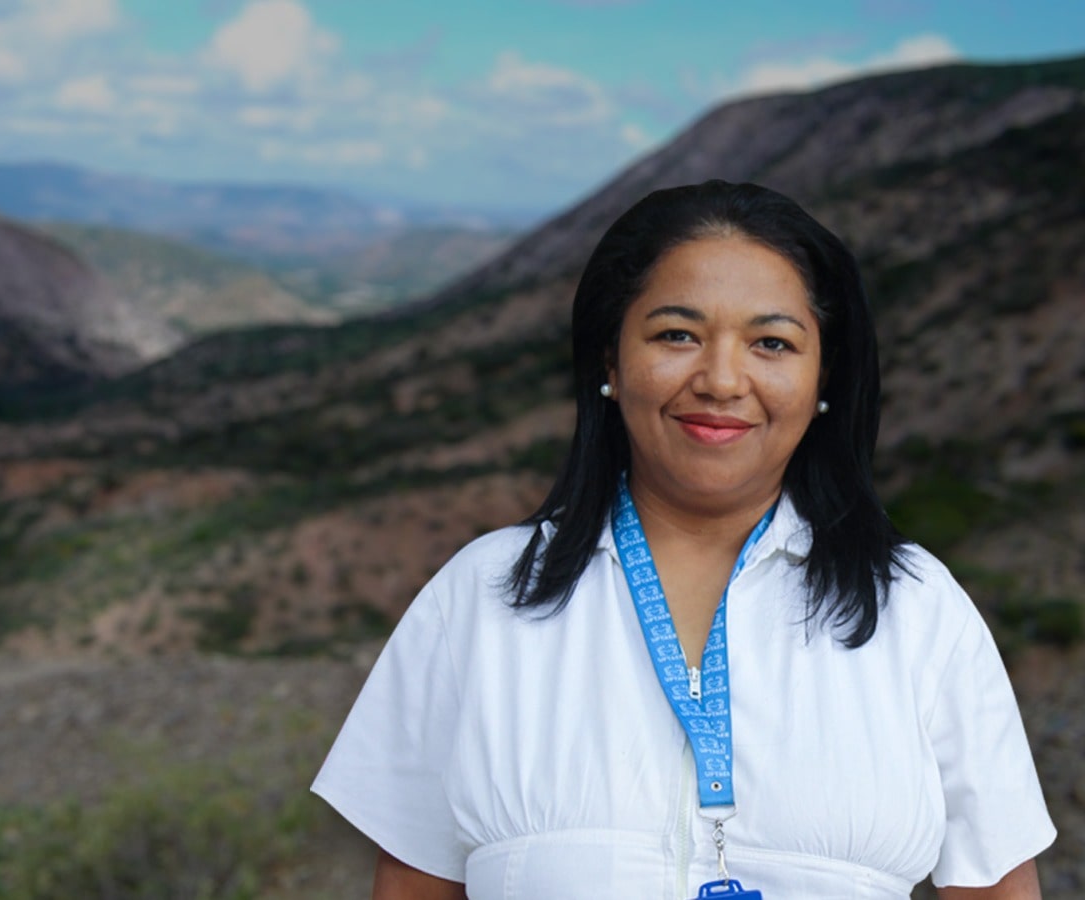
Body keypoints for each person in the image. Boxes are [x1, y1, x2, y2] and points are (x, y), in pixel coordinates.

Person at [311, 181, 1055, 899]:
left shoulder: (918, 611)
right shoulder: (480, 598)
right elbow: (412, 888)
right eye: (678, 335)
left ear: (824, 376)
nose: (723, 380)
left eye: (771, 342)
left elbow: (997, 892)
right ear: (610, 360)